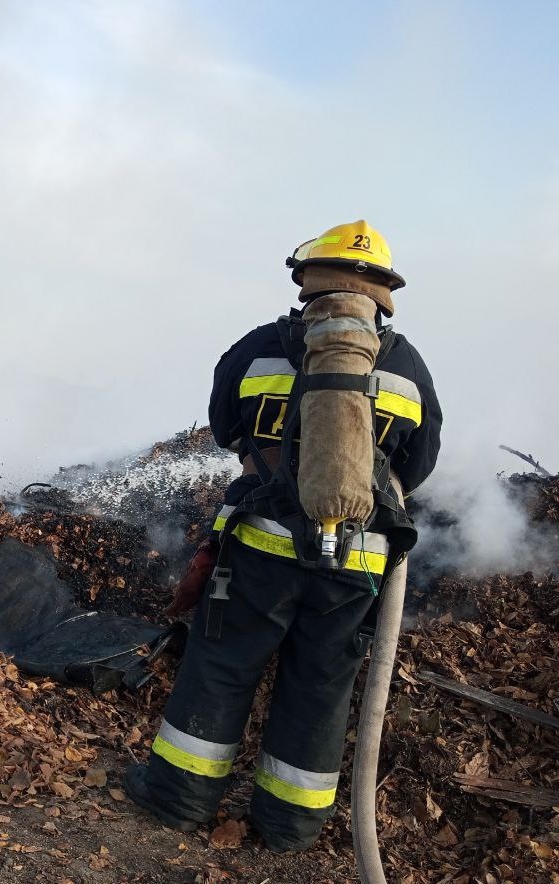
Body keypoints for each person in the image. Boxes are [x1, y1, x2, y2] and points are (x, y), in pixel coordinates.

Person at [123, 220, 442, 851]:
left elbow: (223, 427)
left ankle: (177, 799)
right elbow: (419, 465)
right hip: (356, 562)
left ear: (309, 280)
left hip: (260, 549)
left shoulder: (260, 348)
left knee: (222, 665)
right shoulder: (407, 365)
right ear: (381, 293)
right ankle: (289, 825)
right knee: (320, 688)